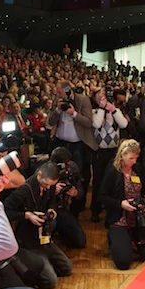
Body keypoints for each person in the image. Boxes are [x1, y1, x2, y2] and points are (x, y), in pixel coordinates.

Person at [4, 162, 73, 289]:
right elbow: (5, 210)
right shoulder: (24, 190)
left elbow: (52, 201)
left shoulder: (49, 186)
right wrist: (27, 215)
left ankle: (44, 262)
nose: (47, 188)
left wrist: (52, 209)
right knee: (50, 281)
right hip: (28, 240)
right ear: (39, 175)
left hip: (44, 237)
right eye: (45, 184)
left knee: (66, 268)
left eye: (51, 186)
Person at [99, 139, 145, 270]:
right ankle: (116, 239)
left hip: (138, 216)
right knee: (123, 262)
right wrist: (121, 204)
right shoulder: (113, 171)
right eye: (131, 158)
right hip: (120, 218)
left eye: (136, 158)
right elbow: (102, 196)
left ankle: (133, 238)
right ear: (122, 155)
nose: (134, 161)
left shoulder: (137, 168)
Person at [47, 80, 96, 211]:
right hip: (60, 142)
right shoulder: (57, 101)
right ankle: (55, 204)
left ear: (67, 90)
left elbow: (88, 122)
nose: (57, 93)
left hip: (78, 145)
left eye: (59, 91)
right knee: (56, 173)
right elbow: (50, 121)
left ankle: (77, 207)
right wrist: (58, 110)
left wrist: (73, 113)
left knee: (78, 175)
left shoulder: (83, 100)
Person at [91, 88, 129, 223]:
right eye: (101, 99)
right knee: (98, 181)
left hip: (114, 151)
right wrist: (102, 108)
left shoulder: (116, 111)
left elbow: (124, 124)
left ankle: (110, 210)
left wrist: (113, 110)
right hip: (100, 152)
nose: (104, 101)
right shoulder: (95, 112)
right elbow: (96, 124)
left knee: (113, 181)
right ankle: (95, 210)